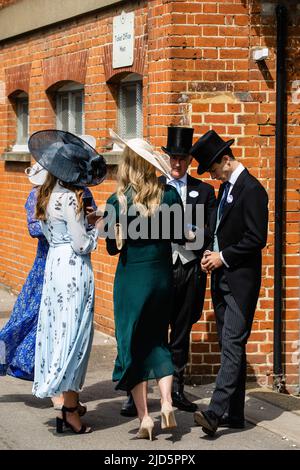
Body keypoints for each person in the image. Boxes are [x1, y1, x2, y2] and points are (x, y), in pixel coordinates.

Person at [105, 130, 190, 441]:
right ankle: (167, 403)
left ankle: (145, 419)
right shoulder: (168, 195)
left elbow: (114, 249)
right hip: (161, 278)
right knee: (158, 341)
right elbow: (180, 236)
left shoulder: (117, 201)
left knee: (132, 346)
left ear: (127, 165)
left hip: (131, 281)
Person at [190, 130, 268, 436]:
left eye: (212, 168)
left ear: (226, 160)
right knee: (229, 346)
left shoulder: (252, 190)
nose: (211, 175)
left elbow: (256, 238)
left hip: (239, 282)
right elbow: (222, 230)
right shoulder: (226, 190)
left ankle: (214, 412)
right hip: (221, 278)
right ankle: (234, 414)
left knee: (233, 344)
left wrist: (224, 257)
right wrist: (211, 251)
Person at [28, 129, 106, 434]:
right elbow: (80, 245)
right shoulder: (71, 200)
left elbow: (56, 236)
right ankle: (70, 410)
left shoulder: (47, 195)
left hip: (54, 267)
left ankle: (65, 405)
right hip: (73, 268)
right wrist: (96, 229)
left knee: (59, 331)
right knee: (75, 337)